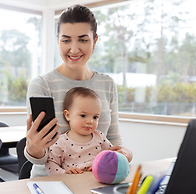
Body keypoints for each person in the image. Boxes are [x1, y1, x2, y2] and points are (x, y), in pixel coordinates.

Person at [25, 4, 133, 178]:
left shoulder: (107, 84)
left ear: (95, 41)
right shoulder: (42, 85)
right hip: (52, 183)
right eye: (66, 40)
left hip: (97, 181)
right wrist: (33, 147)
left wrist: (125, 154)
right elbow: (39, 159)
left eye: (83, 40)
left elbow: (113, 139)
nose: (74, 49)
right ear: (58, 40)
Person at [45, 87, 112, 175]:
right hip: (73, 183)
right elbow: (51, 164)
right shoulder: (61, 142)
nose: (90, 121)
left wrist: (102, 164)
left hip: (98, 182)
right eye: (83, 115)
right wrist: (64, 173)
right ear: (68, 115)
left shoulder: (99, 137)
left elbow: (112, 156)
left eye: (95, 117)